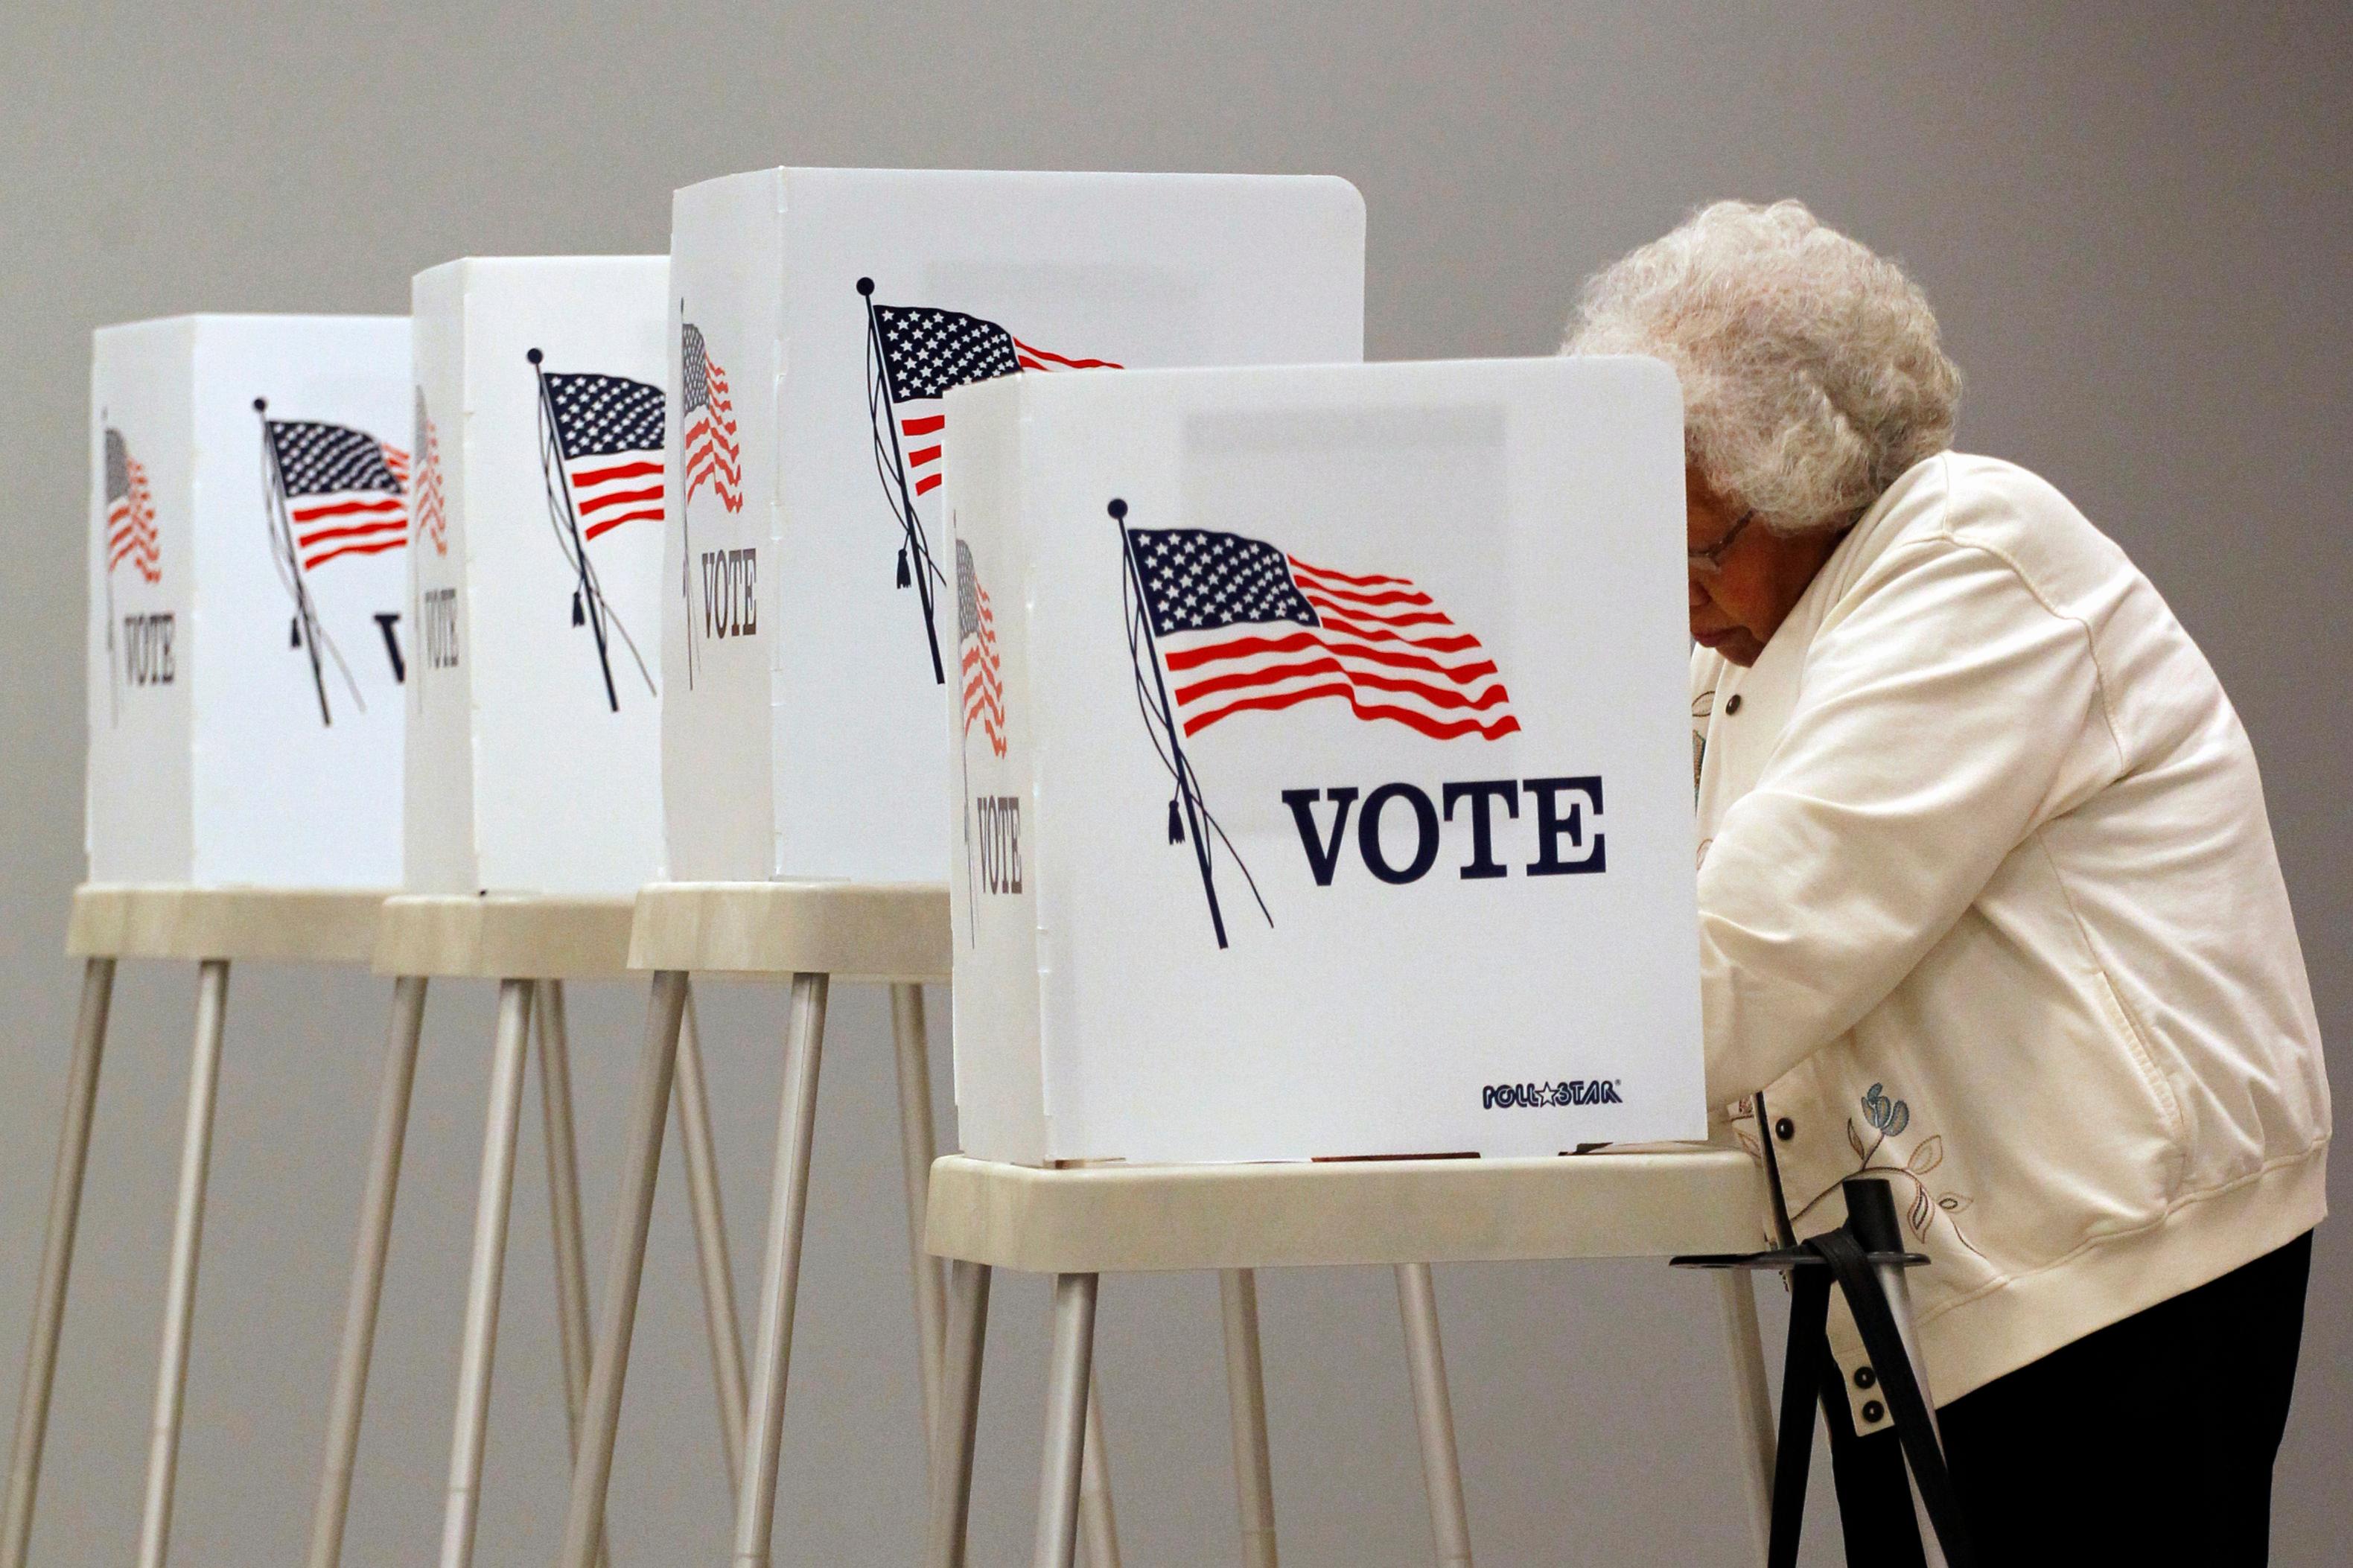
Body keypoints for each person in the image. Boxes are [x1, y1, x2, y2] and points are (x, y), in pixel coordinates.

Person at [1567, 201, 2330, 1564]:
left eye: (1701, 542)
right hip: (1941, 1291)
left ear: (1807, 472)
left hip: (2114, 1286)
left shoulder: (1967, 560)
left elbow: (1753, 946)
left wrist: (1467, 1073)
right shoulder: (1753, 647)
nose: (1679, 593)